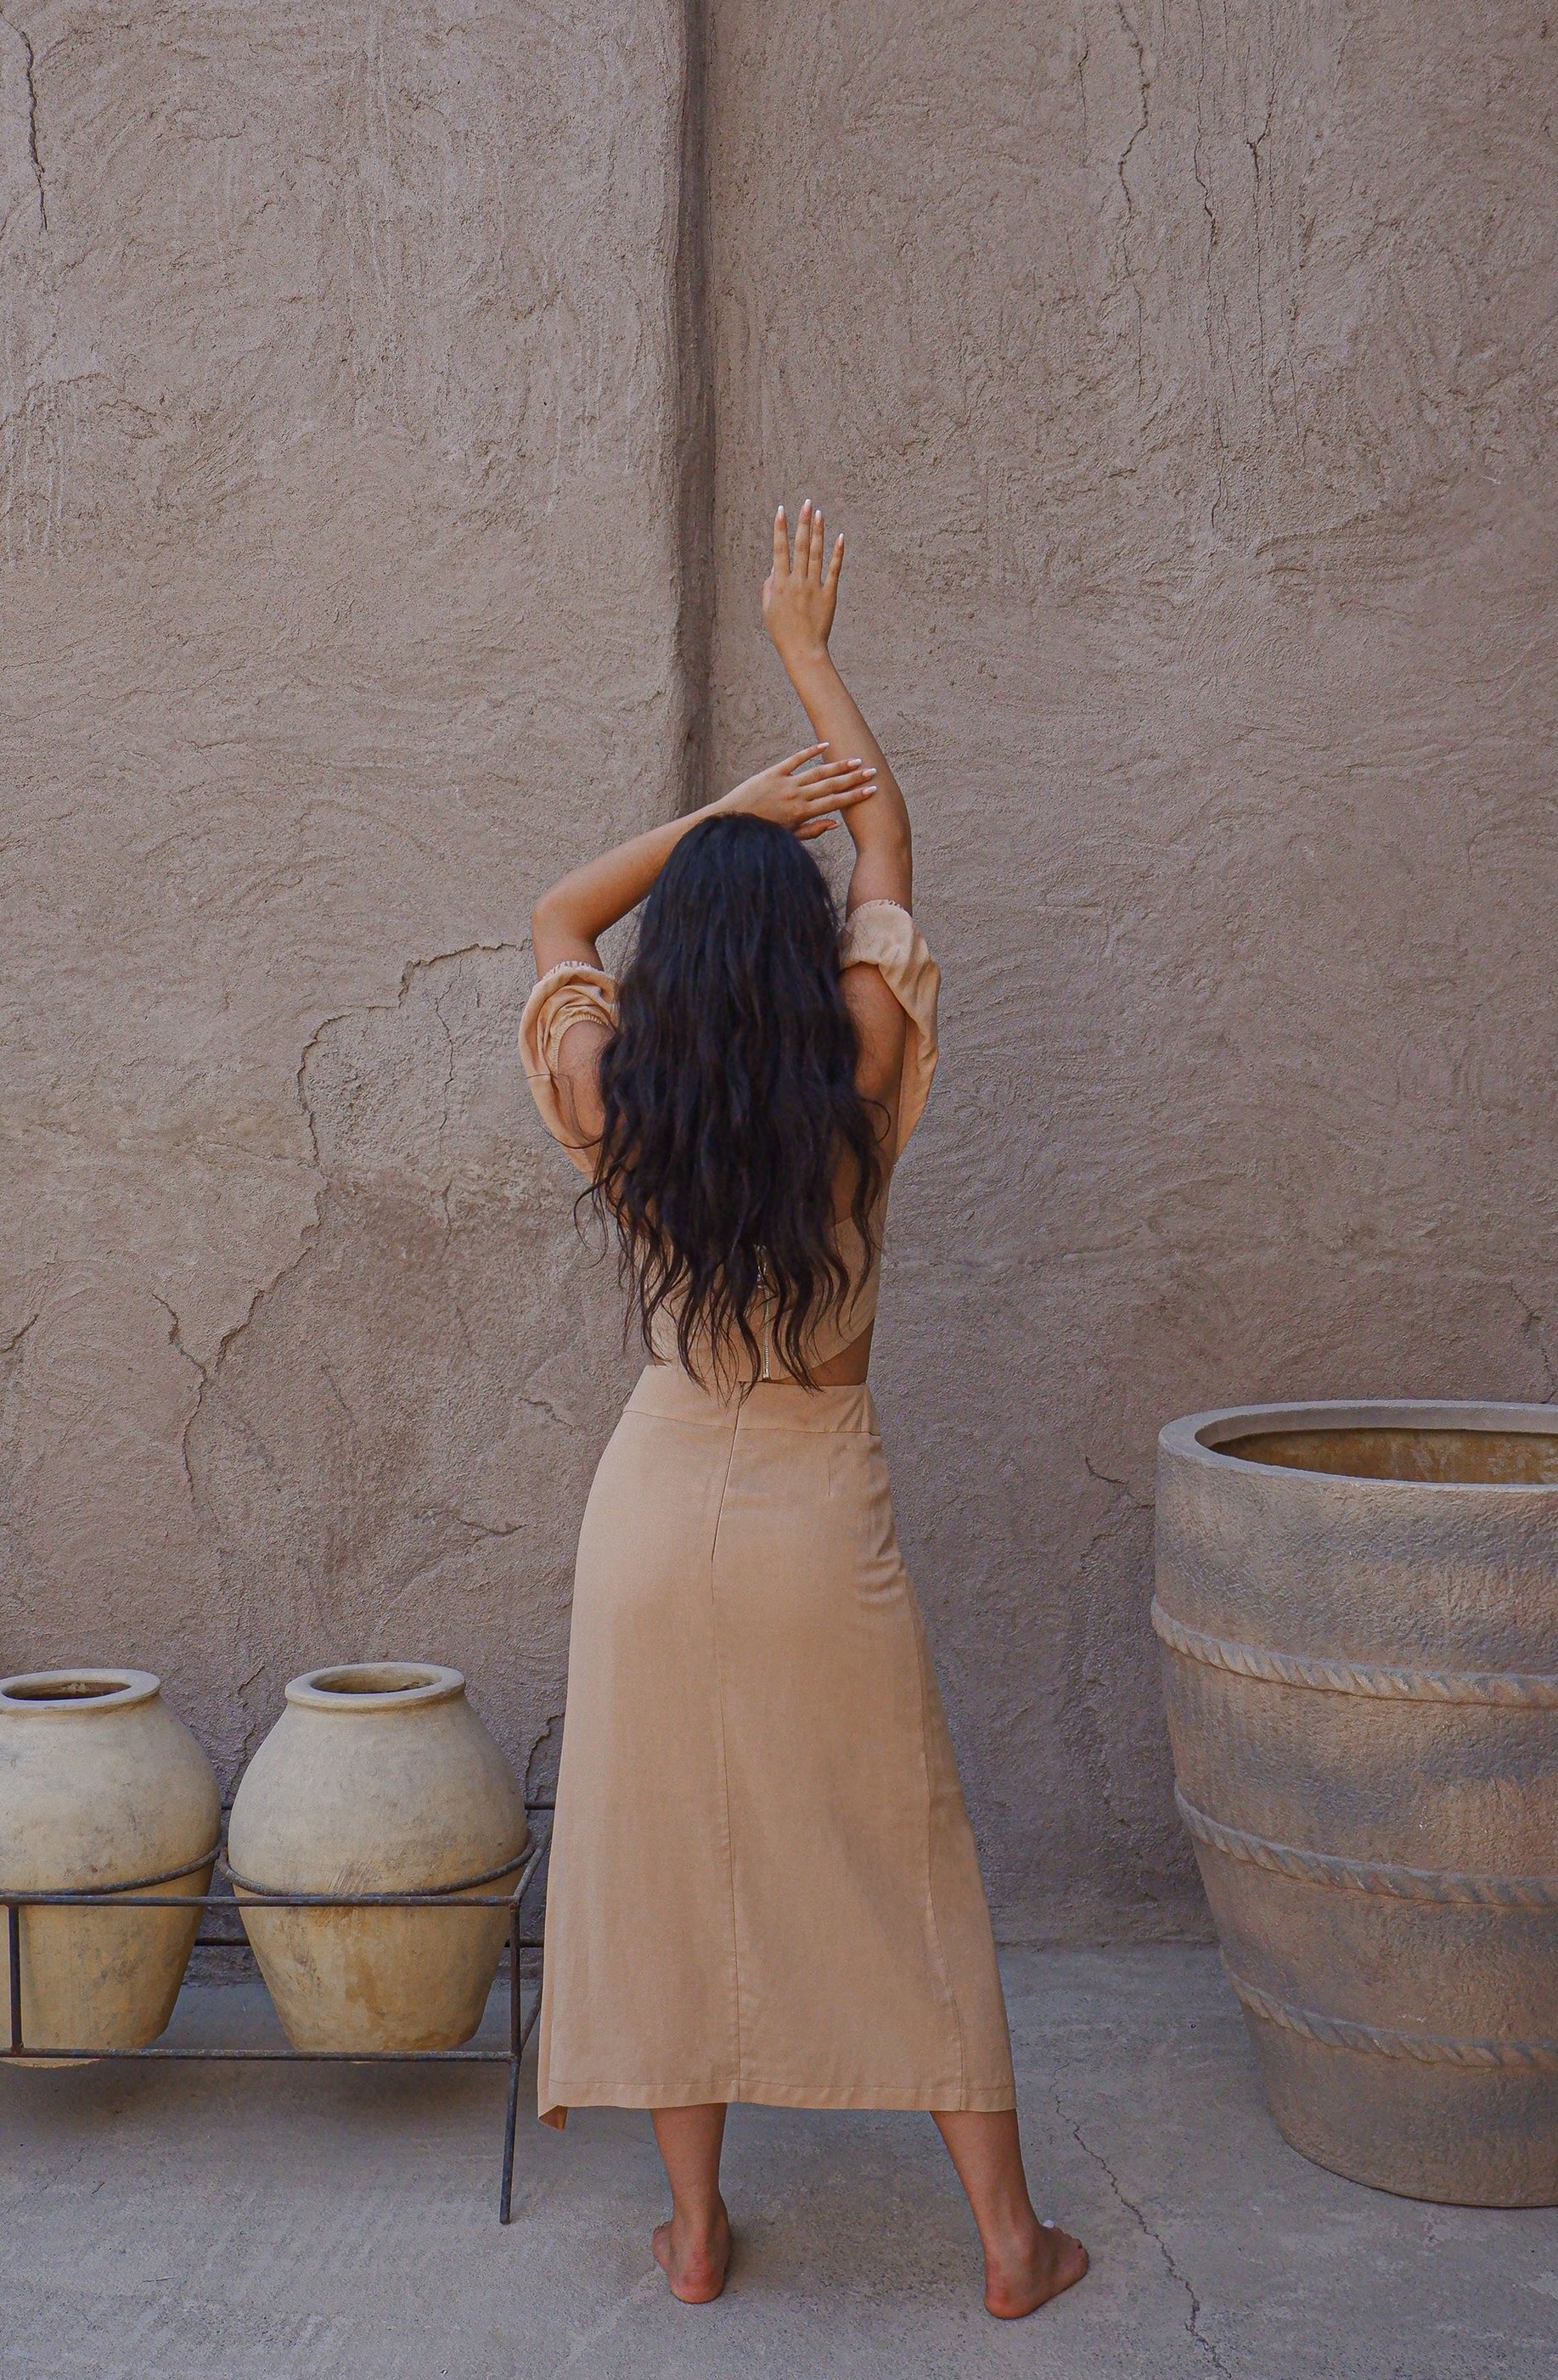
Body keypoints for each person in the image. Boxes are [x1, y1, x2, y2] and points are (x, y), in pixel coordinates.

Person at [519, 500, 1088, 2320]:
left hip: (648, 1499)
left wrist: (712, 826)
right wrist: (807, 654)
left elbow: (552, 913)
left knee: (665, 1847)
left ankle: (693, 2238)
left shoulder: (618, 1087)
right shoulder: (858, 1061)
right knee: (895, 1848)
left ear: (681, 959)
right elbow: (892, 831)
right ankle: (1008, 2244)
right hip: (809, 1504)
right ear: (806, 938)